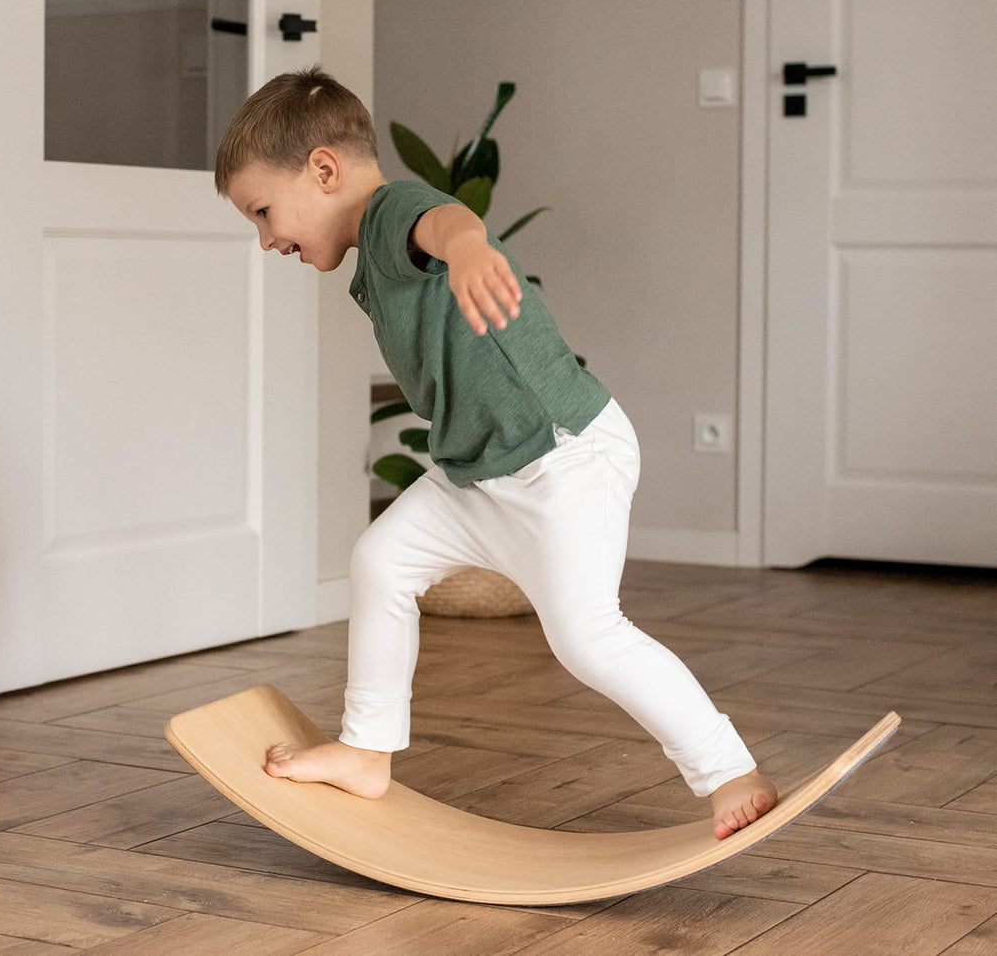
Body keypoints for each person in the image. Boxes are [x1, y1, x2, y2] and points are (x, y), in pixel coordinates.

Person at [215, 65, 777, 840]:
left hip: (560, 455)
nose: (267, 237)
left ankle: (729, 769)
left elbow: (442, 221)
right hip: (479, 471)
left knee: (587, 637)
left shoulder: (390, 213)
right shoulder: (369, 253)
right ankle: (367, 751)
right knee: (382, 562)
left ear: (323, 170)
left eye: (265, 211)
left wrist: (472, 248)